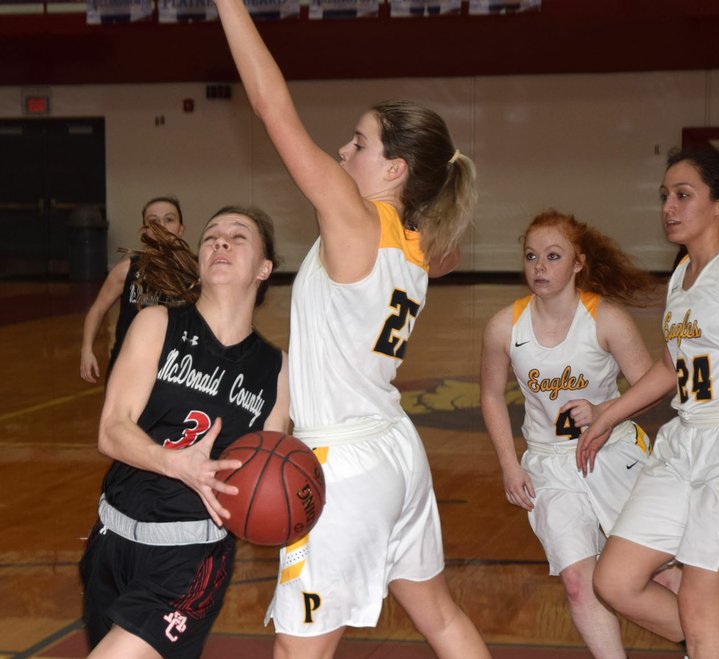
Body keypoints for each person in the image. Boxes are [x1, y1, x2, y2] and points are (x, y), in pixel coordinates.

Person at [213, 2, 490, 658]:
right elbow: (444, 249)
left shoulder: (355, 217)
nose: (343, 151)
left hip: (343, 465)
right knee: (441, 618)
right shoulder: (416, 244)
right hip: (396, 450)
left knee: (296, 650)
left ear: (395, 170)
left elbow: (270, 105)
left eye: (359, 143)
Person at [577, 147, 719, 659]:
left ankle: (713, 643)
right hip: (685, 442)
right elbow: (669, 366)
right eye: (663, 197)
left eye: (683, 195)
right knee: (614, 581)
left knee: (700, 613)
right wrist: (611, 414)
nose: (668, 207)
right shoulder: (683, 273)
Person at [79, 206, 290, 657]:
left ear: (265, 268)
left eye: (238, 236)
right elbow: (112, 430)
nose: (221, 241)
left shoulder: (275, 370)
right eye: (212, 235)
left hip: (190, 561)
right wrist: (175, 462)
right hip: (112, 542)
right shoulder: (157, 323)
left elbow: (270, 474)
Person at [481, 209, 678, 658]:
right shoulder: (503, 327)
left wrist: (604, 410)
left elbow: (651, 386)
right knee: (576, 581)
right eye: (532, 257)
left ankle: (714, 645)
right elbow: (491, 396)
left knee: (657, 573)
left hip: (612, 455)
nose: (540, 267)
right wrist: (510, 466)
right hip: (549, 464)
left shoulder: (606, 319)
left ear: (578, 263)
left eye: (553, 256)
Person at [80, 195, 185, 383]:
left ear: (181, 229)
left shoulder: (194, 275)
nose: (161, 225)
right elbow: (98, 309)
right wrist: (86, 349)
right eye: (153, 221)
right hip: (128, 367)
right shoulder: (127, 269)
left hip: (174, 370)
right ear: (145, 230)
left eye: (169, 219)